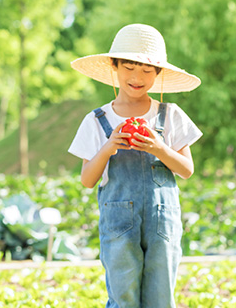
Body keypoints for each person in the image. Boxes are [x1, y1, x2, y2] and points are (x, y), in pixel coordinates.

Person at [68, 23, 202, 308]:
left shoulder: (170, 115)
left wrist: (158, 147)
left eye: (146, 70)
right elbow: (87, 179)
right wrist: (108, 147)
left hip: (162, 222)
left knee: (161, 295)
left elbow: (187, 169)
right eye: (128, 67)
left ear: (158, 74)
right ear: (114, 67)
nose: (137, 77)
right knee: (123, 294)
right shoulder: (97, 120)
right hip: (118, 223)